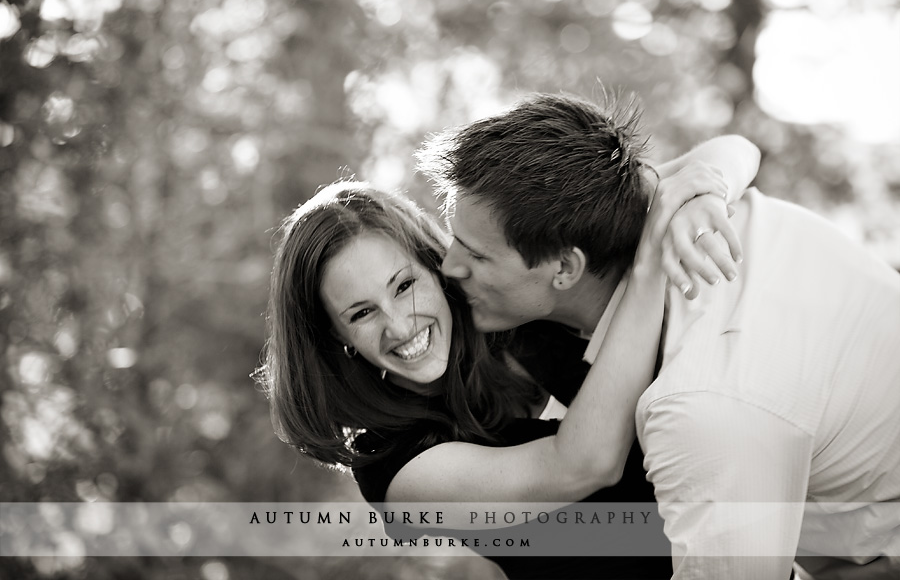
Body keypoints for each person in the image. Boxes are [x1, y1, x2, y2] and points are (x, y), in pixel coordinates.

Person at [416, 91, 900, 579]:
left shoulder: (699, 404)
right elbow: (719, 155)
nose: (449, 266)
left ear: (565, 267)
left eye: (476, 256)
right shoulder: (674, 209)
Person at [256, 132, 757, 579]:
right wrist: (651, 267)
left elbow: (733, 150)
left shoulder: (508, 318)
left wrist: (701, 195)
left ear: (435, 269)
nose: (399, 324)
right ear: (334, 338)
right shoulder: (394, 468)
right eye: (362, 313)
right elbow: (582, 465)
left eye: (404, 285)